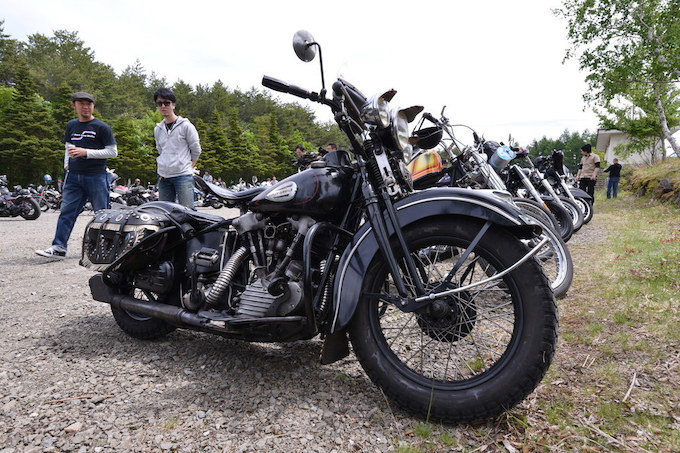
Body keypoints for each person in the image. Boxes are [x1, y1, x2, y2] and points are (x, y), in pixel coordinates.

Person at [36, 92, 117, 259]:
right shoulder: (71, 125)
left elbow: (112, 152)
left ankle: (106, 249)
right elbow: (68, 146)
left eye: (89, 104)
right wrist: (67, 164)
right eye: (81, 103)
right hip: (73, 176)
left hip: (96, 176)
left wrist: (86, 152)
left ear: (93, 106)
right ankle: (59, 247)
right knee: (66, 212)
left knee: (101, 214)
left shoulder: (102, 127)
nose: (85, 107)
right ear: (74, 106)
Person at [154, 87, 202, 209]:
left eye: (167, 103)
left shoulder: (186, 126)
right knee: (164, 212)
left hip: (183, 176)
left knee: (187, 211)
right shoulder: (158, 129)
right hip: (163, 177)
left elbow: (196, 149)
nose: (163, 106)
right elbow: (160, 150)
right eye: (159, 103)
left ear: (173, 105)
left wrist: (188, 166)